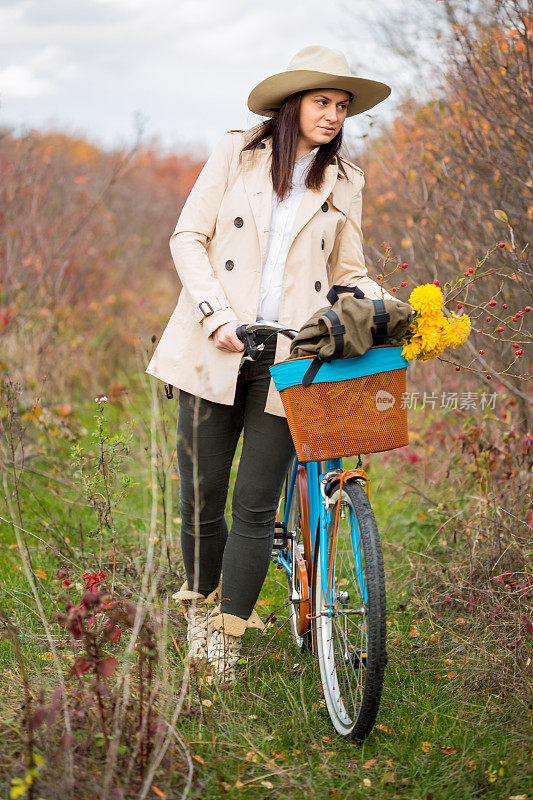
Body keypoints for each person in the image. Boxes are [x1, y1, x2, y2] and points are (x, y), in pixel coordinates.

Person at [145, 45, 395, 682]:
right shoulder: (237, 153)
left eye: (342, 106)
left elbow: (349, 273)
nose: (334, 115)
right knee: (201, 498)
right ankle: (200, 608)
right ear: (293, 104)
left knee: (254, 505)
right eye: (323, 102)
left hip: (290, 358)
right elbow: (188, 237)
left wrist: (403, 309)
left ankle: (224, 640)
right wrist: (215, 316)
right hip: (214, 344)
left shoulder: (348, 182)